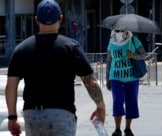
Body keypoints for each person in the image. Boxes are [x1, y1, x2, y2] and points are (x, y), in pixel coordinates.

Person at [5, 0, 105, 135]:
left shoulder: (21, 49)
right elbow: (90, 81)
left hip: (32, 115)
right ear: (60, 18)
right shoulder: (71, 47)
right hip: (62, 114)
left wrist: (12, 118)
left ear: (36, 20)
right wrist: (100, 106)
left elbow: (11, 86)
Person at [106, 30, 146, 136]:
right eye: (117, 28)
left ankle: (128, 128)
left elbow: (143, 55)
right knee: (117, 101)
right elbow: (109, 60)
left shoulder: (133, 40)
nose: (119, 30)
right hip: (115, 77)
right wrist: (107, 78)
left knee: (131, 102)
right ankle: (117, 129)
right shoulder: (112, 40)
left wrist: (133, 55)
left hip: (131, 77)